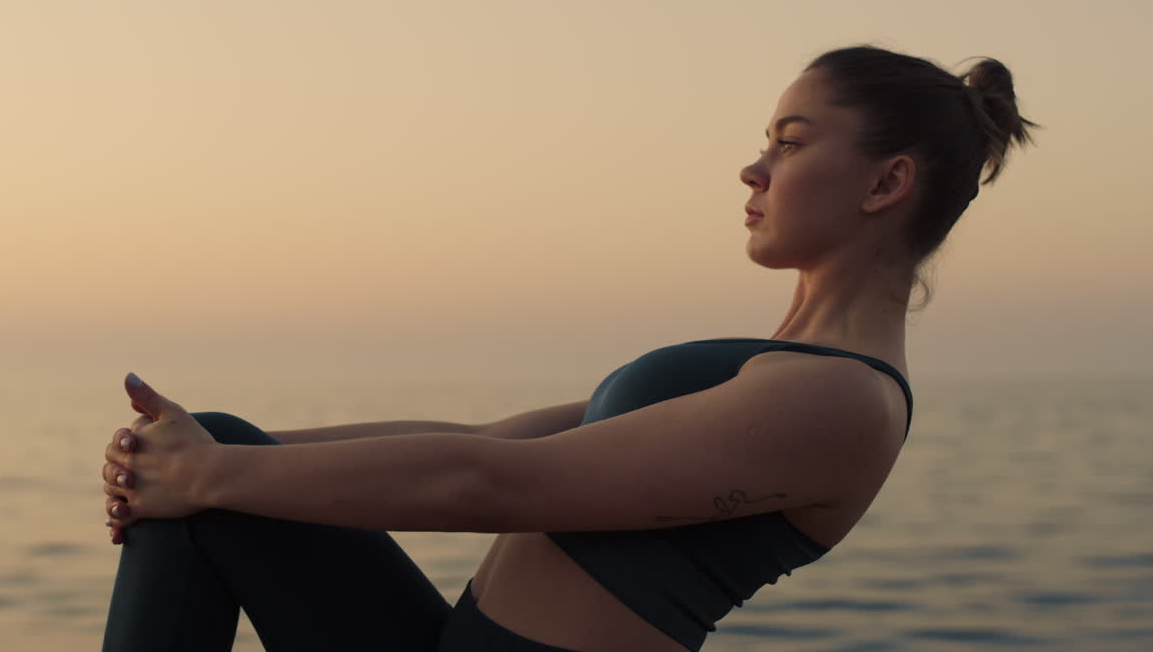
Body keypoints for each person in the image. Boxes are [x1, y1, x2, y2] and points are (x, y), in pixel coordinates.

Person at [98, 45, 1036, 652]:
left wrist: (212, 476)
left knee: (211, 481)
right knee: (211, 449)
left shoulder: (839, 404)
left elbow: (495, 487)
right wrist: (198, 456)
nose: (753, 169)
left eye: (790, 144)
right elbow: (496, 438)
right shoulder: (769, 368)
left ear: (888, 183)